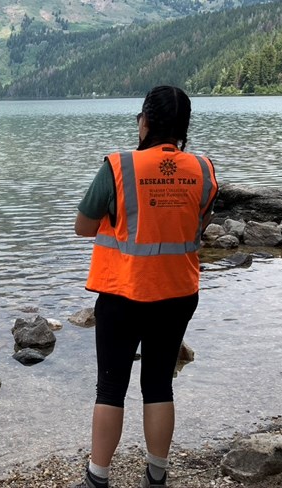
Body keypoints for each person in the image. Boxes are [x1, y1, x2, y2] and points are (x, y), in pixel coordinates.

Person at [71, 85, 219, 488]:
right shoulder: (204, 170)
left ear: (145, 122)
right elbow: (197, 225)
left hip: (123, 294)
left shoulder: (119, 167)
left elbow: (83, 227)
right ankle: (156, 475)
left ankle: (97, 478)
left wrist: (115, 219)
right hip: (178, 293)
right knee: (158, 382)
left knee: (111, 387)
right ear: (183, 127)